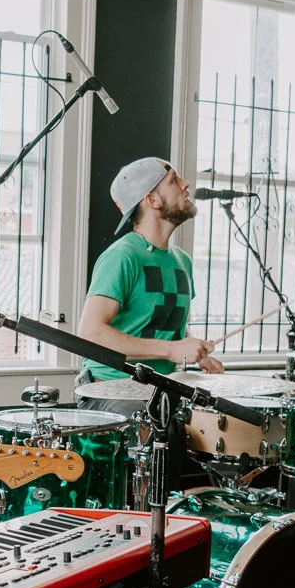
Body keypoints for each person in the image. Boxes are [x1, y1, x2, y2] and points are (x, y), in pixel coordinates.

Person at [75, 157, 224, 497]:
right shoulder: (122, 257)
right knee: (165, 431)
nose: (187, 185)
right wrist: (173, 349)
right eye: (175, 180)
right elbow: (91, 333)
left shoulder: (181, 261)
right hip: (110, 393)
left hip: (159, 391)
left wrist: (194, 350)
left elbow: (162, 331)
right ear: (152, 200)